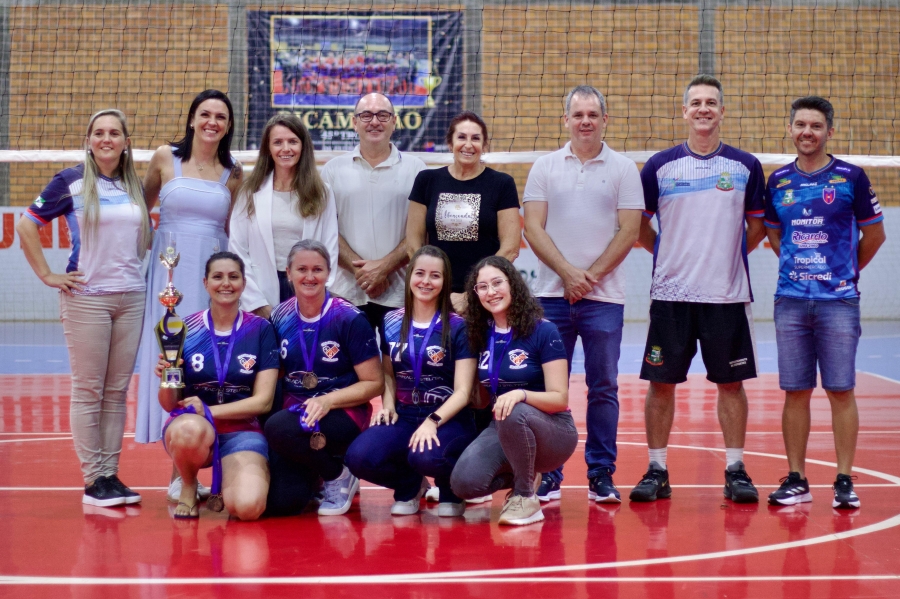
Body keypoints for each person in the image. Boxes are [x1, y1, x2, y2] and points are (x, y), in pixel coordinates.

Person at [632, 74, 767, 504]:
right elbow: (638, 225)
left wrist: (726, 254)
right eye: (696, 103)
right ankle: (657, 469)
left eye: (711, 102)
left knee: (731, 385)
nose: (704, 109)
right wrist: (666, 251)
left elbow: (758, 226)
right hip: (671, 296)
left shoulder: (745, 166)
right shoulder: (659, 166)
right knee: (660, 384)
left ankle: (735, 469)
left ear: (722, 111)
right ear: (685, 111)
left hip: (726, 296)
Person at [16, 109, 151, 506]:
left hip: (131, 297)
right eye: (99, 133)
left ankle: (110, 475)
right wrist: (48, 275)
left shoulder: (134, 185)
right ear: (89, 141)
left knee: (116, 392)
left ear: (126, 142)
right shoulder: (70, 181)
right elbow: (26, 224)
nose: (106, 139)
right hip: (87, 299)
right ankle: (94, 479)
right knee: (89, 389)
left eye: (114, 133)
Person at [523, 85, 644, 504]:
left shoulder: (624, 169)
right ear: (566, 120)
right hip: (550, 298)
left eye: (593, 114)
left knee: (603, 386)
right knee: (547, 387)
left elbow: (630, 230)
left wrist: (587, 278)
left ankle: (600, 474)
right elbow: (532, 227)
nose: (585, 121)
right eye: (578, 115)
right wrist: (568, 274)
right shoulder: (544, 167)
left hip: (603, 300)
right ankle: (550, 474)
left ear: (605, 120)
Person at [763, 96, 885, 510]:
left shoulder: (851, 177)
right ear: (790, 129)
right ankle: (797, 479)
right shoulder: (779, 180)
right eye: (800, 125)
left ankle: (844, 480)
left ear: (829, 132)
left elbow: (875, 235)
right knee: (795, 392)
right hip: (791, 301)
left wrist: (844, 271)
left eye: (815, 126)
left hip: (838, 302)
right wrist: (798, 266)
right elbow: (774, 233)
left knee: (840, 390)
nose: (807, 132)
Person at [135, 89, 242, 502]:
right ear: (193, 119)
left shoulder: (233, 172)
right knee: (171, 361)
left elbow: (234, 230)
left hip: (210, 276)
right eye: (205, 114)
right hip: (170, 276)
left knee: (205, 361)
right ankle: (180, 469)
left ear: (228, 126)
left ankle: (201, 461)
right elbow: (139, 212)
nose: (212, 121)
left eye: (221, 116)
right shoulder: (165, 157)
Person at [345, 246, 478, 517]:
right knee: (358, 457)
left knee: (426, 456)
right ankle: (410, 486)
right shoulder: (391, 320)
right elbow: (388, 373)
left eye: (435, 276)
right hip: (405, 414)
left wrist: (433, 421)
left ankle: (450, 489)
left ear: (445, 282)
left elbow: (464, 392)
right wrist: (388, 405)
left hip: (448, 417)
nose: (426, 281)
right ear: (409, 277)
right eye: (420, 273)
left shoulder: (458, 326)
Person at [450, 257, 578, 526]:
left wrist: (521, 394)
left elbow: (560, 398)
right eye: (482, 287)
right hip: (502, 426)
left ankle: (525, 497)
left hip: (553, 430)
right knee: (463, 484)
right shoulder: (478, 333)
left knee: (513, 409)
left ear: (513, 285)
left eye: (497, 283)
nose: (491, 292)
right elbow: (480, 398)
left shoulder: (543, 330)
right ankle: (528, 475)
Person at [156, 252, 279, 519]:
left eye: (233, 277)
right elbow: (169, 404)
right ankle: (188, 484)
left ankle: (232, 477)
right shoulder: (184, 329)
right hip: (193, 429)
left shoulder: (261, 329)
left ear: (243, 283)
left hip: (242, 430)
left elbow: (263, 402)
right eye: (218, 277)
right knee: (189, 428)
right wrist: (167, 378)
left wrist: (209, 411)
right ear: (205, 283)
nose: (226, 283)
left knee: (248, 508)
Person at [265, 240, 384, 517]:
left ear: (328, 273)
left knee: (277, 427)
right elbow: (276, 374)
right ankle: (317, 471)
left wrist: (327, 401)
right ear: (289, 272)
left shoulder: (349, 318)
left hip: (341, 411)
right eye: (302, 269)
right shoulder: (280, 315)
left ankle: (337, 474)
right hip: (294, 414)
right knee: (283, 502)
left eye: (317, 269)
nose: (310, 277)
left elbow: (374, 383)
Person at [320, 93, 426, 336]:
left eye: (383, 115)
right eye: (366, 115)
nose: (375, 121)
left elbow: (420, 232)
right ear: (354, 122)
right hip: (347, 292)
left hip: (400, 293)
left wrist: (384, 268)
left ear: (394, 122)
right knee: (349, 360)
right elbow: (326, 230)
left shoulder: (417, 169)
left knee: (398, 361)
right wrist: (363, 274)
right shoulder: (332, 170)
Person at [406, 111, 521, 313]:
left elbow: (510, 248)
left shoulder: (502, 183)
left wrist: (474, 294)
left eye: (475, 138)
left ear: (484, 145)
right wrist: (431, 285)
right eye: (461, 137)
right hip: (435, 294)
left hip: (485, 296)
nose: (468, 145)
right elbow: (413, 244)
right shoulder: (427, 180)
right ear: (450, 143)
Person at [230, 113, 339, 319]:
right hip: (260, 290)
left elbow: (330, 248)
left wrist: (319, 297)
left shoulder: (322, 192)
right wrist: (257, 304)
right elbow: (237, 251)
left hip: (307, 286)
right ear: (268, 148)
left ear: (303, 146)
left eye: (293, 142)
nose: (286, 149)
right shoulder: (249, 192)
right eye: (278, 142)